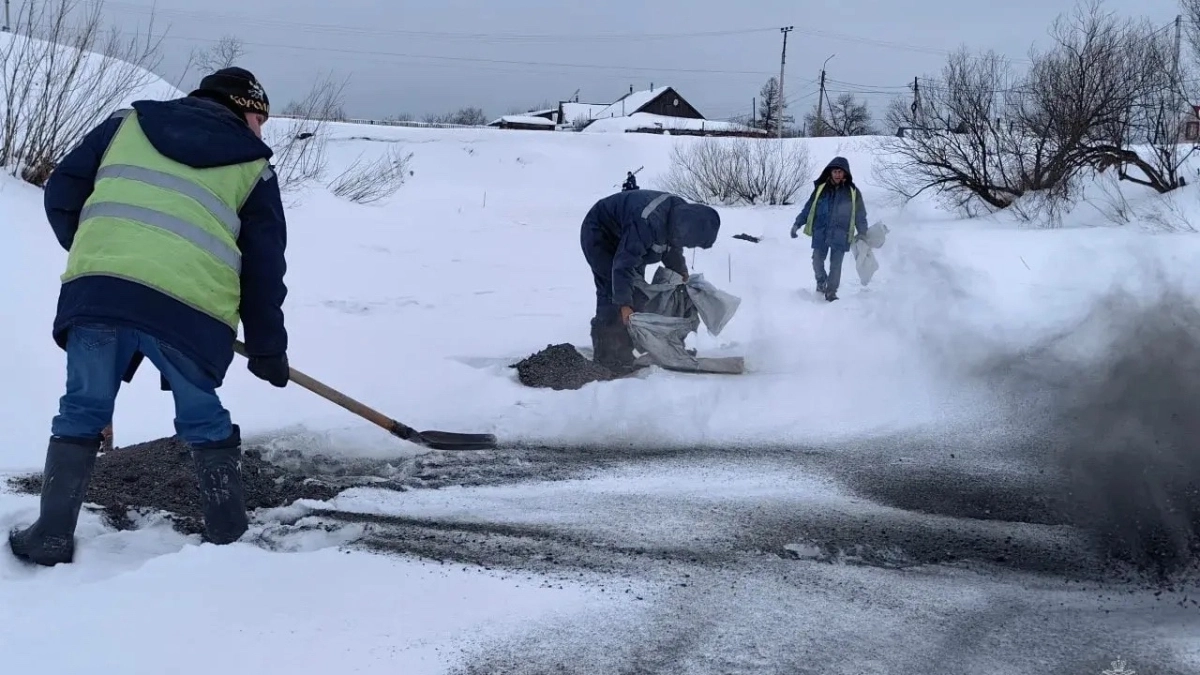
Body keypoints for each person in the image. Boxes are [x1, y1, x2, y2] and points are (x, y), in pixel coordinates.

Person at [8, 67, 290, 566]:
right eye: (260, 119)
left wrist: (100, 259)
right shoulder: (255, 168)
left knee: (81, 409)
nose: (261, 131)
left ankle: (50, 535)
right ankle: (228, 537)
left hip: (99, 295)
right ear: (244, 109)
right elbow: (264, 268)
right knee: (202, 414)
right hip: (189, 310)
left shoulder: (126, 124)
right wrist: (268, 346)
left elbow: (61, 192)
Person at [580, 189, 720, 370]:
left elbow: (671, 246)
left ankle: (641, 348)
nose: (687, 245)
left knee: (636, 294)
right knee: (613, 291)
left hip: (628, 238)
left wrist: (679, 270)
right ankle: (608, 356)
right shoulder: (648, 222)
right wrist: (624, 305)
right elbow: (623, 265)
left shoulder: (681, 216)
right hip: (600, 233)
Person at [790, 156, 869, 302]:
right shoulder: (821, 189)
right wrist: (797, 223)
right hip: (821, 232)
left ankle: (831, 292)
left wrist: (863, 232)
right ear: (830, 172)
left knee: (836, 266)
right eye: (835, 171)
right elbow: (808, 208)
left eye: (840, 172)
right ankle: (821, 283)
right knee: (817, 261)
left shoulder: (852, 191)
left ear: (845, 173)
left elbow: (860, 213)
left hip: (841, 233)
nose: (838, 174)